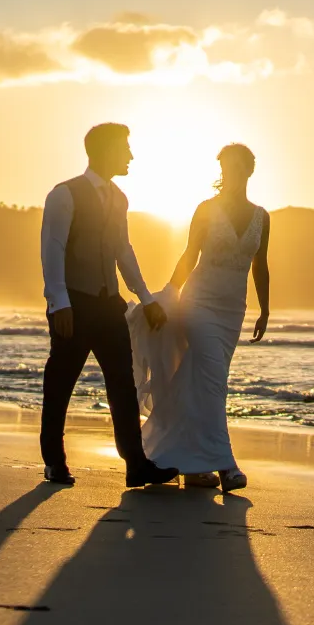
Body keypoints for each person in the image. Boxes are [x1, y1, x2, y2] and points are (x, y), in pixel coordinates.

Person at [37, 123, 180, 488]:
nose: (130, 155)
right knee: (60, 384)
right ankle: (54, 462)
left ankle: (136, 464)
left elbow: (122, 250)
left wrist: (146, 298)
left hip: (109, 305)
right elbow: (52, 248)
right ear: (103, 151)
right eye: (125, 148)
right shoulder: (64, 195)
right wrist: (59, 302)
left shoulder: (120, 198)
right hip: (74, 304)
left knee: (122, 385)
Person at [129, 143, 271, 493]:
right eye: (226, 167)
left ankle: (191, 467)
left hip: (232, 310)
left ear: (249, 171)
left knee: (200, 381)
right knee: (213, 380)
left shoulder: (262, 216)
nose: (231, 174)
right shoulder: (207, 209)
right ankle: (226, 466)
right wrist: (167, 294)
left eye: (238, 168)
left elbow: (261, 265)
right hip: (200, 302)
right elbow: (190, 254)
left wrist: (265, 309)